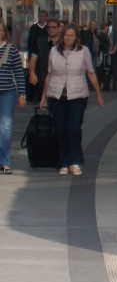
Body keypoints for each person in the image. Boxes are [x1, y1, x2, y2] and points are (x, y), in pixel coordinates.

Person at [40, 22, 104, 176]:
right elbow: (49, 74)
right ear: (62, 37)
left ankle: (74, 161)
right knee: (61, 129)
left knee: (74, 128)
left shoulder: (84, 51)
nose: (68, 38)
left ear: (76, 38)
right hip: (56, 94)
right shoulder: (54, 51)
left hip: (78, 94)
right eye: (66, 35)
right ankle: (63, 162)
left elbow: (91, 72)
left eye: (71, 36)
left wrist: (98, 94)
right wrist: (43, 97)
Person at [0, 19, 28, 175]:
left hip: (7, 93)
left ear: (5, 33)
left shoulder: (11, 50)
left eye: (0, 30)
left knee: (5, 127)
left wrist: (22, 94)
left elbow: (18, 73)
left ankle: (5, 162)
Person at [25, 16, 61, 106]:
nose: (51, 29)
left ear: (59, 28)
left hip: (59, 78)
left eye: (54, 27)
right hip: (42, 76)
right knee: (44, 104)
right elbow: (33, 57)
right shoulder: (40, 41)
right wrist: (32, 73)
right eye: (49, 27)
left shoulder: (63, 42)